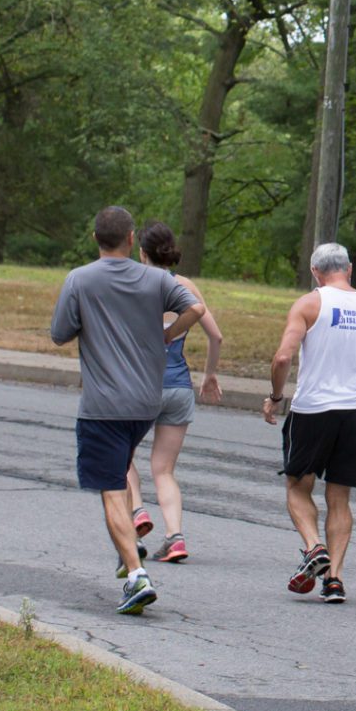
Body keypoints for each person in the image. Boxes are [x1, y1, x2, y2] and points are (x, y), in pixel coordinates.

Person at [49, 205, 204, 615]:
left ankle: (136, 574)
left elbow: (59, 334)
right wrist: (167, 334)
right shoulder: (155, 278)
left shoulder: (80, 280)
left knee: (112, 488)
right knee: (118, 472)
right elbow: (196, 309)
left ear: (95, 239)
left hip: (103, 406)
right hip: (145, 404)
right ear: (132, 238)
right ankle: (126, 547)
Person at [265, 242, 356, 603]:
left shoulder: (309, 303)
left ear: (314, 273)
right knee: (340, 497)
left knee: (297, 486)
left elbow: (282, 357)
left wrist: (276, 397)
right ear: (350, 269)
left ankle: (313, 547)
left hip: (313, 410)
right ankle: (334, 580)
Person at [125, 221, 221, 565]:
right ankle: (175, 537)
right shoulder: (186, 286)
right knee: (164, 470)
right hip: (179, 386)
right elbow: (216, 336)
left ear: (141, 252)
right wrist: (209, 375)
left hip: (140, 386)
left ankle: (137, 511)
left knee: (122, 457)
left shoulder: (133, 284)